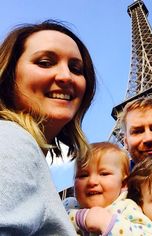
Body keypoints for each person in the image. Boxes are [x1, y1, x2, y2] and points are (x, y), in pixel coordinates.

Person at [0, 20, 96, 235]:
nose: (65, 76)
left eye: (75, 68)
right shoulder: (11, 139)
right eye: (45, 62)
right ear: (9, 77)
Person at [65, 141, 152, 235]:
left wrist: (108, 224)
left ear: (123, 183)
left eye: (104, 174)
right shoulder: (68, 206)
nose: (91, 181)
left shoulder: (126, 207)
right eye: (83, 175)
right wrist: (80, 218)